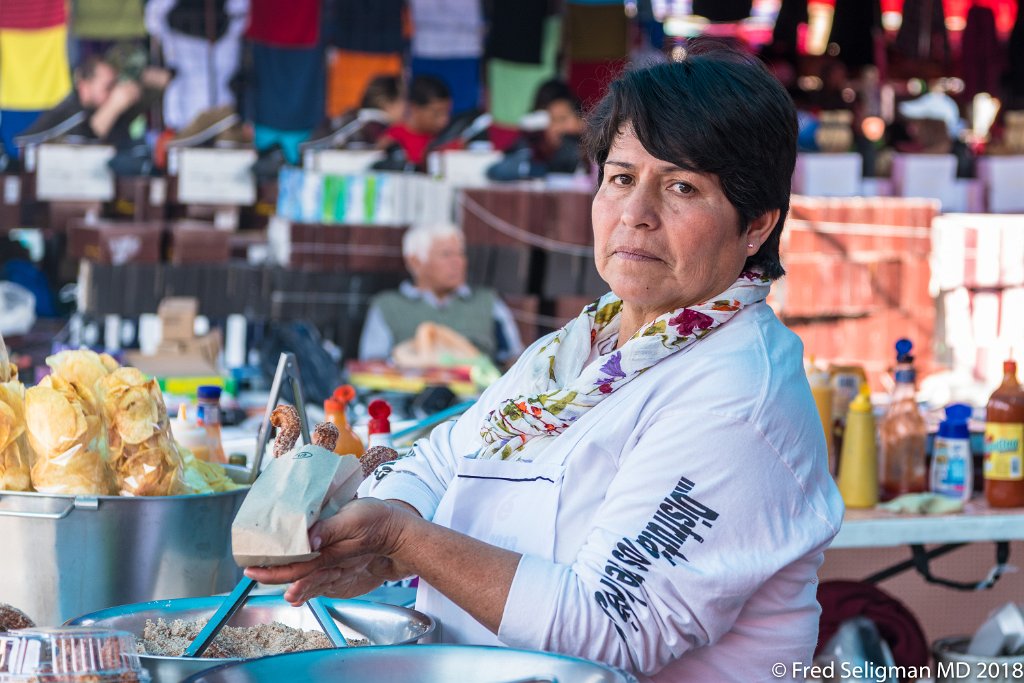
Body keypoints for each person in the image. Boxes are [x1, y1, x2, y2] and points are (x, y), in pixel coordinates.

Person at [249, 45, 844, 683]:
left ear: (755, 225)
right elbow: (441, 457)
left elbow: (611, 625)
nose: (636, 215)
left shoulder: (735, 396)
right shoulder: (584, 345)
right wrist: (379, 536)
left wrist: (404, 541)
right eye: (620, 177)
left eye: (681, 187)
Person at [358, 223, 523, 367]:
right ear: (415, 262)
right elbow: (372, 364)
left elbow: (514, 358)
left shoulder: (488, 302)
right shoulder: (388, 306)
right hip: (409, 397)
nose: (458, 262)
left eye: (460, 254)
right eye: (446, 254)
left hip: (478, 398)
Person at [16, 56, 168, 150]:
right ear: (84, 86)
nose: (114, 92)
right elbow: (89, 141)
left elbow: (162, 84)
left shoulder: (106, 108)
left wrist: (139, 75)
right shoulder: (71, 113)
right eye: (108, 86)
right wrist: (113, 106)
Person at [487, 79, 586, 181]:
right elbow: (495, 170)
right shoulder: (536, 146)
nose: (557, 128)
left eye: (562, 119)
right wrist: (535, 167)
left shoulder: (590, 149)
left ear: (582, 120)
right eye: (552, 120)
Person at [376, 74, 452, 169]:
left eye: (447, 112)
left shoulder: (447, 139)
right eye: (436, 114)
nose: (444, 120)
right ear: (415, 108)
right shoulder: (392, 141)